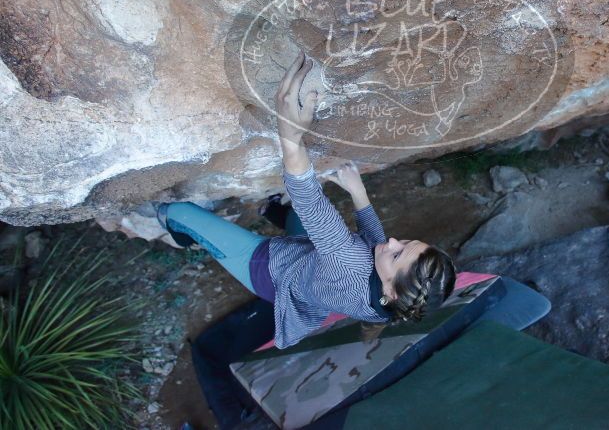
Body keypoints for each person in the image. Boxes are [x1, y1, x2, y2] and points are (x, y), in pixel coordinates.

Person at [156, 50, 456, 349]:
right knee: (301, 224)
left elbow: (310, 199)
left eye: (396, 254)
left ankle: (181, 235)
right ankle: (270, 208)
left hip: (269, 269)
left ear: (390, 291)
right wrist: (358, 193)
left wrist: (290, 135)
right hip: (312, 275)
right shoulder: (396, 307)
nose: (392, 241)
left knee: (179, 210)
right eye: (405, 243)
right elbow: (373, 241)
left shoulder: (349, 262)